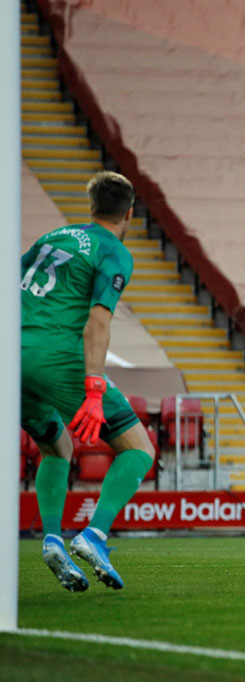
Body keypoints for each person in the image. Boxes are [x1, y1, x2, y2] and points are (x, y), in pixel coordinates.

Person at [21, 171, 156, 592]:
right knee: (139, 448)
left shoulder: (52, 238)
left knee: (56, 446)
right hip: (56, 357)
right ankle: (93, 535)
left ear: (92, 205)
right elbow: (97, 323)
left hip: (13, 354)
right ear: (129, 213)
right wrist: (94, 389)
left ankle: (51, 539)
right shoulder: (113, 251)